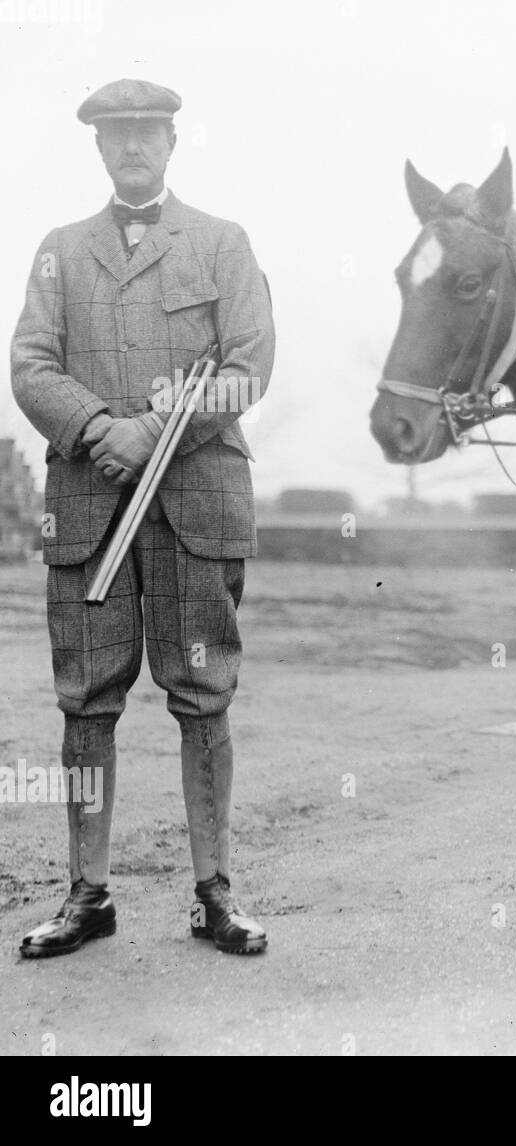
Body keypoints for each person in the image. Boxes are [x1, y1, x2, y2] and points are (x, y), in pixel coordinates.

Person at [11, 78, 274, 956]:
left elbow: (247, 367)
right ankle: (88, 895)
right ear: (97, 148)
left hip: (196, 509)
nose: (132, 146)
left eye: (147, 133)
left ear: (171, 142)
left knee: (203, 698)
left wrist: (154, 431)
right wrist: (97, 431)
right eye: (116, 134)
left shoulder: (223, 245)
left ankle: (215, 896)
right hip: (89, 512)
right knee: (85, 701)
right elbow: (30, 365)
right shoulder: (58, 252)